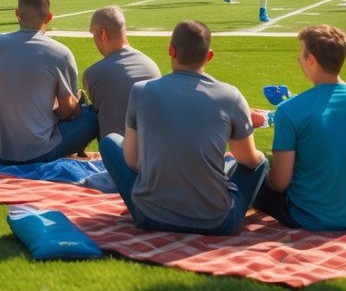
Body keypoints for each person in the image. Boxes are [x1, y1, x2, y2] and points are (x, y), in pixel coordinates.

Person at [98, 20, 269, 236]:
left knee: (110, 142)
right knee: (261, 162)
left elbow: (132, 161)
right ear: (209, 56)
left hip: (151, 215)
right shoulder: (230, 96)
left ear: (171, 50)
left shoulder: (141, 91)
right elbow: (249, 160)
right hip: (216, 222)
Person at [254, 25, 346, 231]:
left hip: (308, 217)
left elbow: (279, 183)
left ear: (311, 59)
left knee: (249, 169)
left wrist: (260, 170)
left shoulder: (289, 110)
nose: (298, 59)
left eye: (301, 54)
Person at [0, 0, 98, 164]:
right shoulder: (60, 53)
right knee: (92, 117)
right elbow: (67, 111)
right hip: (36, 152)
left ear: (17, 14)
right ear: (49, 17)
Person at [82, 6, 161, 140]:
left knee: (85, 112)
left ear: (102, 34)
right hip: (151, 152)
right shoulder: (151, 66)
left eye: (93, 34)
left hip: (117, 154)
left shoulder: (93, 74)